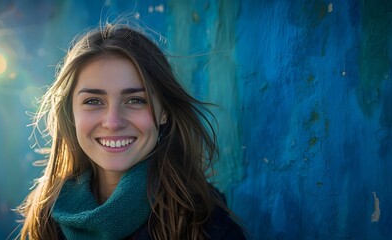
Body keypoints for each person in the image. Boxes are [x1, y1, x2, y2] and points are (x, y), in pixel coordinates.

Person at [16, 22, 247, 240]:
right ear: (71, 114)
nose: (113, 122)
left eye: (135, 100)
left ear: (163, 111)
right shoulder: (47, 215)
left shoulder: (207, 224)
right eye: (94, 101)